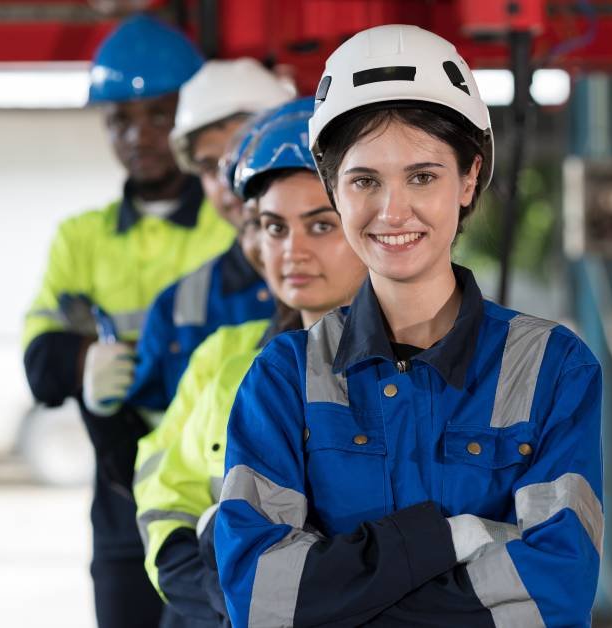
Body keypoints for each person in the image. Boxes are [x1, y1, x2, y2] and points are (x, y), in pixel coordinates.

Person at [215, 24, 605, 627]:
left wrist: (345, 592)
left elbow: (553, 596)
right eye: (365, 180)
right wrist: (445, 539)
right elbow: (263, 599)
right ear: (333, 188)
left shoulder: (553, 368)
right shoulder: (283, 379)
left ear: (469, 178)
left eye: (422, 176)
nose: (393, 211)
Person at [20, 14, 232, 628]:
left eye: (158, 117)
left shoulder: (236, 224)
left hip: (214, 489)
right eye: (120, 120)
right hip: (119, 498)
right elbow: (39, 358)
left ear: (188, 117)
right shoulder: (79, 238)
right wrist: (82, 360)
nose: (138, 136)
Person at [132, 97, 368, 624]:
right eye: (275, 227)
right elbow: (163, 485)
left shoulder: (414, 369)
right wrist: (202, 590)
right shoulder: (222, 355)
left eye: (321, 225)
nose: (291, 251)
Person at [125, 59, 295, 416]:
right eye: (208, 166)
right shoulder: (175, 309)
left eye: (244, 155)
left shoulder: (374, 278)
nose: (228, 181)